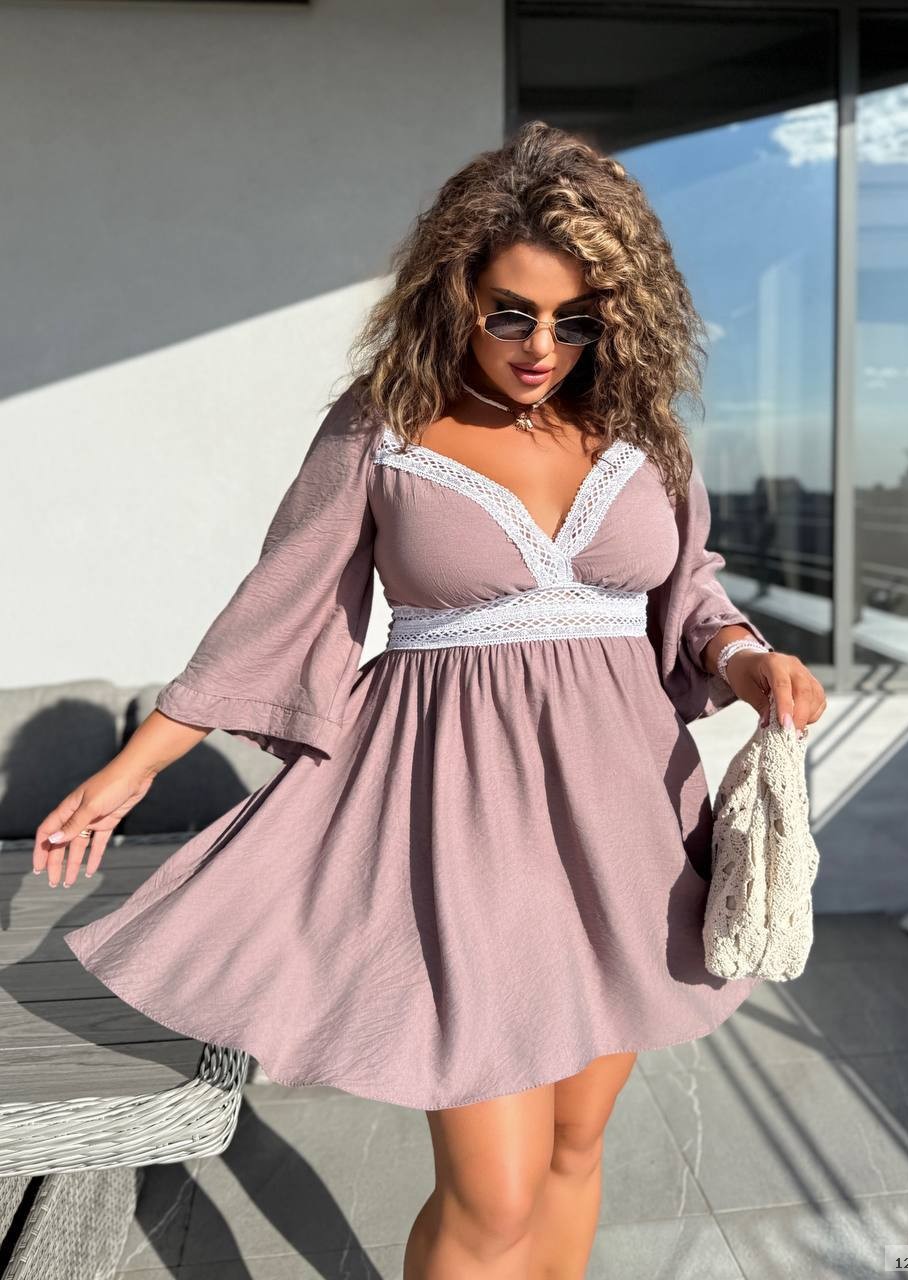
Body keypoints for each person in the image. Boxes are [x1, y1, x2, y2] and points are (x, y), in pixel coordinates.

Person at [34, 120, 826, 1278]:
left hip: (626, 819)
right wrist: (135, 761)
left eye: (575, 319)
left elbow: (689, 590)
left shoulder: (637, 427)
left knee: (573, 1143)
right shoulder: (384, 421)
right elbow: (277, 604)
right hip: (458, 824)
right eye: (512, 312)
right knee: (491, 1195)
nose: (541, 346)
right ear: (457, 287)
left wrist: (749, 660)